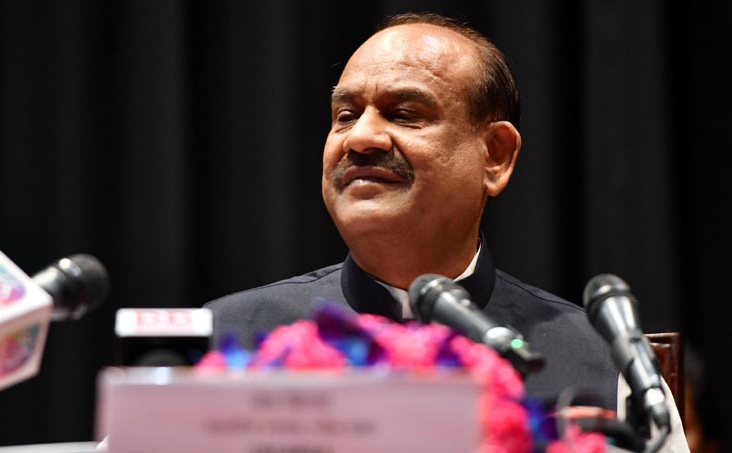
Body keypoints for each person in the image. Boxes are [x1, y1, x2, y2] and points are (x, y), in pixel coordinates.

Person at [205, 12, 687, 450]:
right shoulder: (222, 341)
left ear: (495, 156)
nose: (360, 138)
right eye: (345, 116)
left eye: (404, 114)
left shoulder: (605, 366)